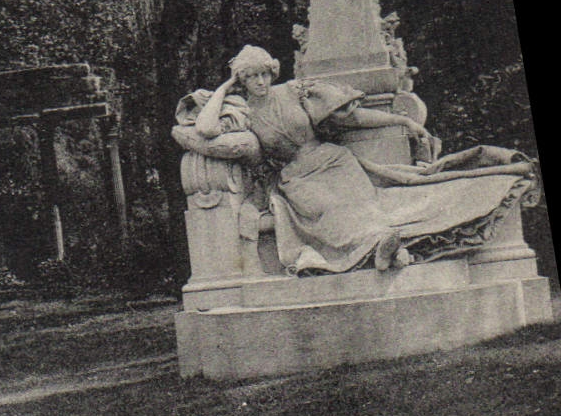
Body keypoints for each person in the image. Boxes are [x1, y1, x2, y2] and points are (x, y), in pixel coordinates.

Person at [179, 45, 531, 275]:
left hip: (333, 160)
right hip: (296, 177)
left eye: (263, 74)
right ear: (241, 80)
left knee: (362, 202)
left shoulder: (294, 92)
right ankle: (385, 248)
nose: (258, 81)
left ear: (272, 73)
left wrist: (404, 120)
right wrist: (225, 88)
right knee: (329, 210)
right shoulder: (239, 110)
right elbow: (208, 129)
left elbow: (353, 118)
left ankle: (384, 247)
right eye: (249, 76)